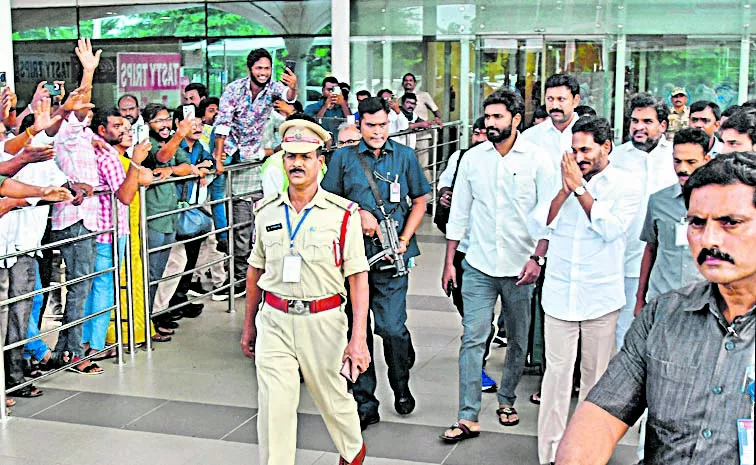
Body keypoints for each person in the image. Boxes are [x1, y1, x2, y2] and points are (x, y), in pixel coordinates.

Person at [556, 151, 756, 465]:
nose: (709, 240)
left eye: (730, 223)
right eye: (697, 223)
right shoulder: (662, 316)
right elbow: (602, 416)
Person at [240, 117, 369, 465]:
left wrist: (358, 340)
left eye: (306, 156)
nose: (297, 163)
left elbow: (358, 277)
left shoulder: (343, 216)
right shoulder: (265, 211)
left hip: (323, 321)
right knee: (274, 410)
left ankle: (352, 451)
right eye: (290, 156)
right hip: (275, 320)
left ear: (320, 163)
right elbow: (256, 268)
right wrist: (249, 324)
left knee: (334, 400)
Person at [439, 89, 555, 442]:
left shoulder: (538, 159)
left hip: (522, 268)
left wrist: (538, 258)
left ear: (516, 119)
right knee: (473, 336)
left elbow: (550, 215)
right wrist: (449, 262)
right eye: (487, 117)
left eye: (497, 117)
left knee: (519, 340)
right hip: (478, 265)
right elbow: (458, 212)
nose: (490, 123)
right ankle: (467, 415)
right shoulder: (473, 159)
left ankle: (507, 399)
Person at [529, 117, 642, 465]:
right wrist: (564, 190)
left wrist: (580, 190)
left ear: (606, 147)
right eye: (574, 149)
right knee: (556, 378)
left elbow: (611, 228)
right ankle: (550, 453)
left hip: (601, 297)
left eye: (585, 149)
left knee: (595, 381)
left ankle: (587, 452)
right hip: (560, 294)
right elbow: (538, 223)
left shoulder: (627, 184)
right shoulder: (560, 177)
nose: (578, 156)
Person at [321, 97, 431, 430]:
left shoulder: (405, 156)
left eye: (383, 125)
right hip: (354, 261)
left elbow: (420, 199)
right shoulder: (343, 158)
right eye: (371, 125)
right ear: (359, 124)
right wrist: (359, 212)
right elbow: (327, 202)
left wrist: (405, 238)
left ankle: (401, 384)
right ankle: (365, 402)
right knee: (359, 332)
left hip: (392, 258)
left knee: (391, 329)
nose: (378, 132)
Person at [630, 126, 711, 463]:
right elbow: (651, 248)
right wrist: (640, 298)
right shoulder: (659, 201)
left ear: (707, 160)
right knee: (655, 386)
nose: (682, 168)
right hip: (662, 308)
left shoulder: (717, 207)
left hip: (705, 312)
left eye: (691, 161)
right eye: (677, 161)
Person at [213, 48, 297, 300]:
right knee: (236, 218)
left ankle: (253, 274)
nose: (264, 73)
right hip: (230, 152)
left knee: (256, 220)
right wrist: (218, 157)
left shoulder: (272, 88)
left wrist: (293, 86)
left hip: (256, 156)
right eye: (259, 68)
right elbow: (222, 123)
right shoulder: (234, 89)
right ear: (250, 69)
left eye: (267, 68)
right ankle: (238, 275)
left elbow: (289, 101)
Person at [610, 93, 677, 349]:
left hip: (664, 263)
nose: (638, 127)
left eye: (647, 121)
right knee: (623, 332)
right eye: (634, 120)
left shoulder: (673, 158)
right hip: (624, 261)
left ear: (663, 125)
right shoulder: (616, 158)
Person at [436, 117, 497, 391]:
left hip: (495, 252)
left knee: (481, 321)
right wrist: (445, 194)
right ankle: (481, 344)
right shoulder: (460, 158)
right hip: (464, 250)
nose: (481, 136)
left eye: (486, 132)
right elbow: (444, 184)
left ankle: (479, 365)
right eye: (478, 131)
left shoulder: (503, 163)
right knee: (470, 315)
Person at [141, 103, 197, 339]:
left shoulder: (170, 142)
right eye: (158, 121)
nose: (164, 125)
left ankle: (155, 314)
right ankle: (145, 322)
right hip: (153, 216)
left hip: (169, 215)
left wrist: (171, 170)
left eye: (167, 119)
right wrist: (179, 135)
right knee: (151, 272)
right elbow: (161, 157)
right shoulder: (147, 143)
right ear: (147, 124)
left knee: (165, 268)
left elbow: (188, 167)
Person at [105, 118, 157, 348]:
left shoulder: (125, 160)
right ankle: (120, 334)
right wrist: (138, 165)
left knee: (135, 277)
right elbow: (145, 177)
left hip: (132, 227)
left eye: (128, 129)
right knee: (122, 280)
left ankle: (138, 330)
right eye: (119, 129)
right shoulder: (113, 160)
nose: (126, 133)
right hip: (117, 228)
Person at [522, 74, 582, 172]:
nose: (555, 105)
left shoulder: (591, 135)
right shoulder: (530, 137)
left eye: (561, 99)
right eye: (550, 99)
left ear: (575, 101)